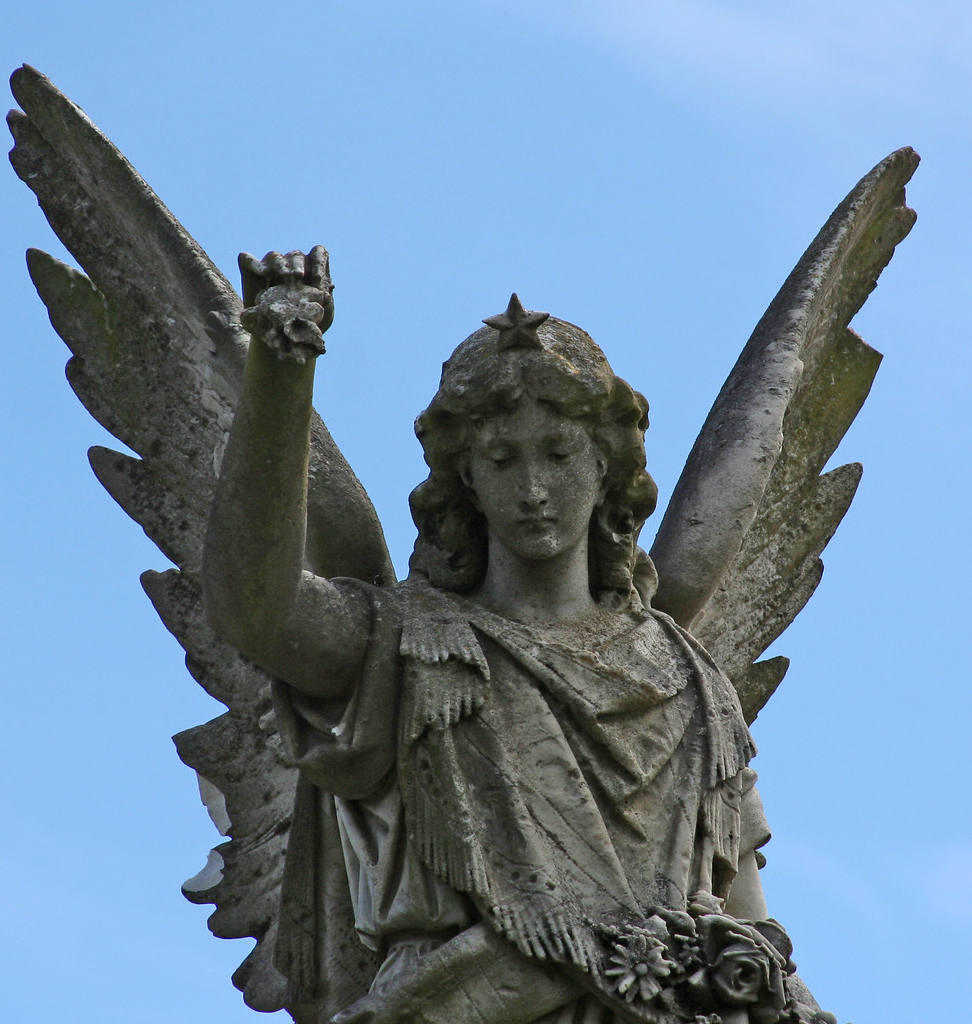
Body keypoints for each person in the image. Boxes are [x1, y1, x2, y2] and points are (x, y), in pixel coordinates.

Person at [204, 250, 773, 1024]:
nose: (534, 491)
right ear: (465, 477)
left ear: (607, 466)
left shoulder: (689, 679)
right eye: (502, 460)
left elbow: (747, 927)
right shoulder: (404, 643)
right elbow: (258, 611)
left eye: (560, 455)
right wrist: (280, 370)